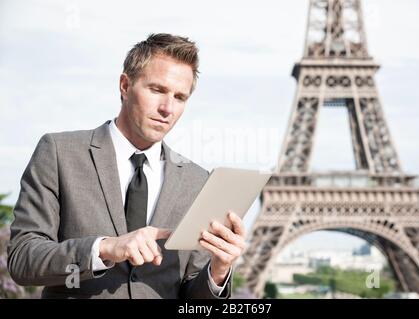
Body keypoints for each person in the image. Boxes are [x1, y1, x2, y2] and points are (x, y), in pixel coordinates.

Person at [7, 33, 246, 299]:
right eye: (157, 90)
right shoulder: (59, 153)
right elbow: (22, 259)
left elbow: (192, 297)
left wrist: (219, 270)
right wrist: (104, 249)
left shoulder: (197, 181)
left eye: (180, 97)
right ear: (124, 85)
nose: (168, 108)